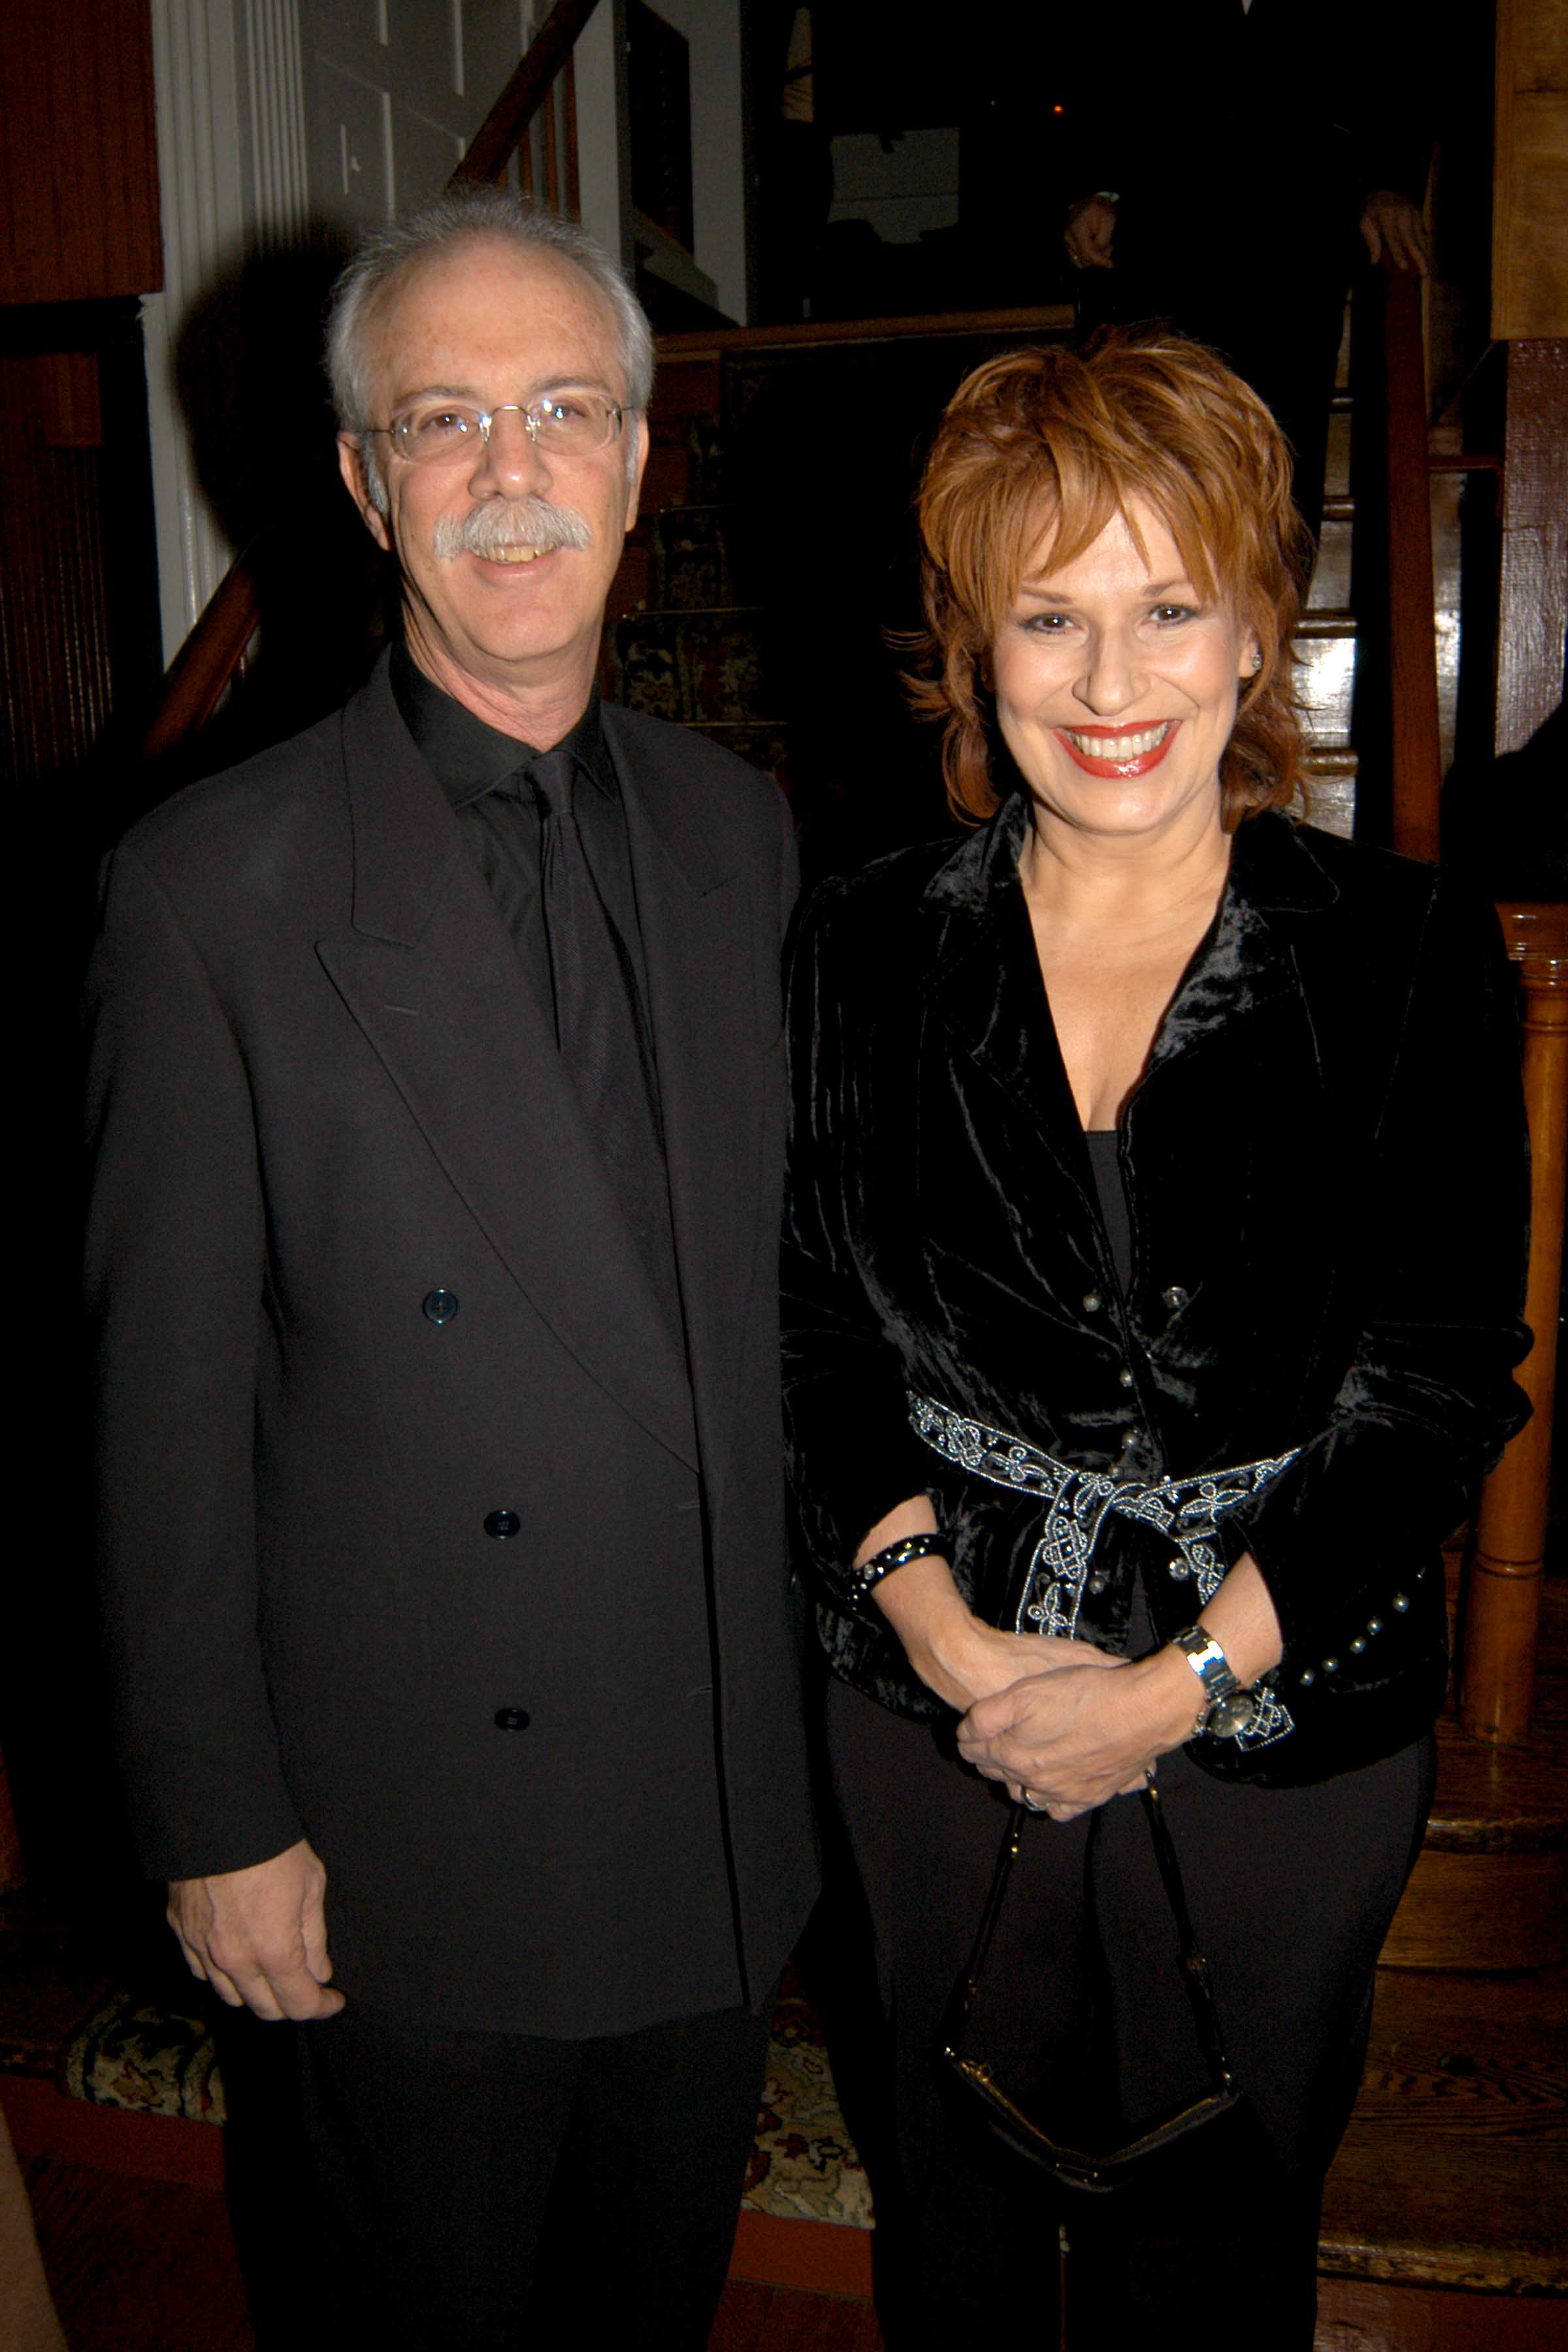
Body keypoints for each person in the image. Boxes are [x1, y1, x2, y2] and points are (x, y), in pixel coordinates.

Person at [86, 188, 816, 2347]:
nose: (512, 471)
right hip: (413, 1852)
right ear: (360, 482)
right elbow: (161, 1413)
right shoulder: (208, 888)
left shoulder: (738, 831)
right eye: (445, 418)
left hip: (703, 1809)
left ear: (639, 456)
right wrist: (219, 1821)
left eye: (564, 409)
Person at [782, 329, 1529, 2345]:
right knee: (948, 2223)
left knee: (1213, 2244)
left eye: (1164, 607)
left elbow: (1438, 1384)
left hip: (1277, 1713)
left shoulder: (1401, 959)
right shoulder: (861, 938)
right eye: (1047, 617)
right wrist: (938, 1636)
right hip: (927, 1703)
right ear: (968, 646)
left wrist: (1176, 1684)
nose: (1110, 688)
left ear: (1254, 628)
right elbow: (822, 1342)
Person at [1056, 0, 1434, 546]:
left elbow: (1403, 73)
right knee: (1152, 450)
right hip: (1167, 252)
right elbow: (1109, 83)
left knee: (1277, 451)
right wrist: (1100, 190)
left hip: (1295, 248)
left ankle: (1269, 619)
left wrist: (1387, 185)